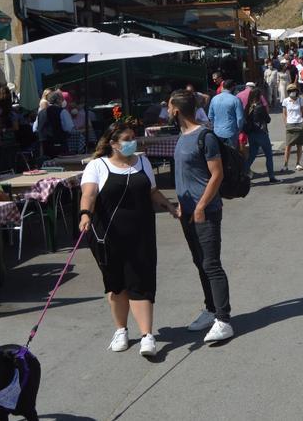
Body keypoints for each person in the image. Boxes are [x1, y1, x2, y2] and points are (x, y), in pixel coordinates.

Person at [78, 123, 179, 357]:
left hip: (141, 233)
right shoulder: (97, 165)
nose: (132, 142)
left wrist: (169, 206)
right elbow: (89, 193)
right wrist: (85, 214)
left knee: (141, 280)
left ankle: (147, 335)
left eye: (133, 137)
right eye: (127, 139)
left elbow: (152, 191)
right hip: (108, 235)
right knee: (116, 283)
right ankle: (121, 330)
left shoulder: (143, 162)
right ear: (113, 143)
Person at [168, 89, 233, 344]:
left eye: (168, 106)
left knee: (211, 263)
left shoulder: (205, 136)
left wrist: (200, 206)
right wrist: (183, 204)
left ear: (175, 109)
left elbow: (216, 175)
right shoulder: (182, 136)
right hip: (188, 211)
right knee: (199, 261)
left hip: (206, 211)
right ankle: (211, 309)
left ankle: (224, 319)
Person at [239, 82, 278, 184]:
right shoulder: (260, 107)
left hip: (251, 134)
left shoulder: (248, 107)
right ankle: (271, 177)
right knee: (268, 155)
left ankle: (242, 174)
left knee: (252, 156)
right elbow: (268, 119)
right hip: (261, 133)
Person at [34, 90, 73, 156]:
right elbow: (68, 128)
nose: (63, 101)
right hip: (59, 146)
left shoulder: (40, 113)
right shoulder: (62, 111)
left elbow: (35, 128)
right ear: (58, 100)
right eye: (62, 99)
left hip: (44, 147)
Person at [207, 80, 245, 148]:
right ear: (232, 87)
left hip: (217, 132)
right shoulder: (235, 100)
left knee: (221, 154)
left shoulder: (214, 99)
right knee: (232, 154)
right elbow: (240, 118)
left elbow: (210, 116)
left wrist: (214, 126)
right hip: (231, 132)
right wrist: (238, 129)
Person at [282, 84, 303, 172]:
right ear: (288, 92)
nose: (292, 92)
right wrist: (286, 124)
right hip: (290, 124)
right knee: (288, 146)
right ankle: (285, 164)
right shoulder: (285, 101)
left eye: (294, 90)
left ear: (296, 91)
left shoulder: (300, 100)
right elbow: (284, 114)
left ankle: (298, 163)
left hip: (299, 123)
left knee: (299, 145)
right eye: (290, 91)